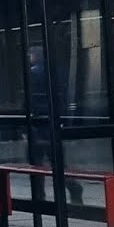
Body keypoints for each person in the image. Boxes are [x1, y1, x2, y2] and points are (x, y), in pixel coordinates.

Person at [27, 45, 84, 205]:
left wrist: (26, 126)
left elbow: (30, 100)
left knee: (36, 163)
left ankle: (39, 196)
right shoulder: (57, 72)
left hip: (39, 124)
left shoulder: (33, 73)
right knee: (57, 160)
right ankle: (73, 186)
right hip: (54, 121)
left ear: (36, 56)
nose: (29, 57)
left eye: (30, 54)